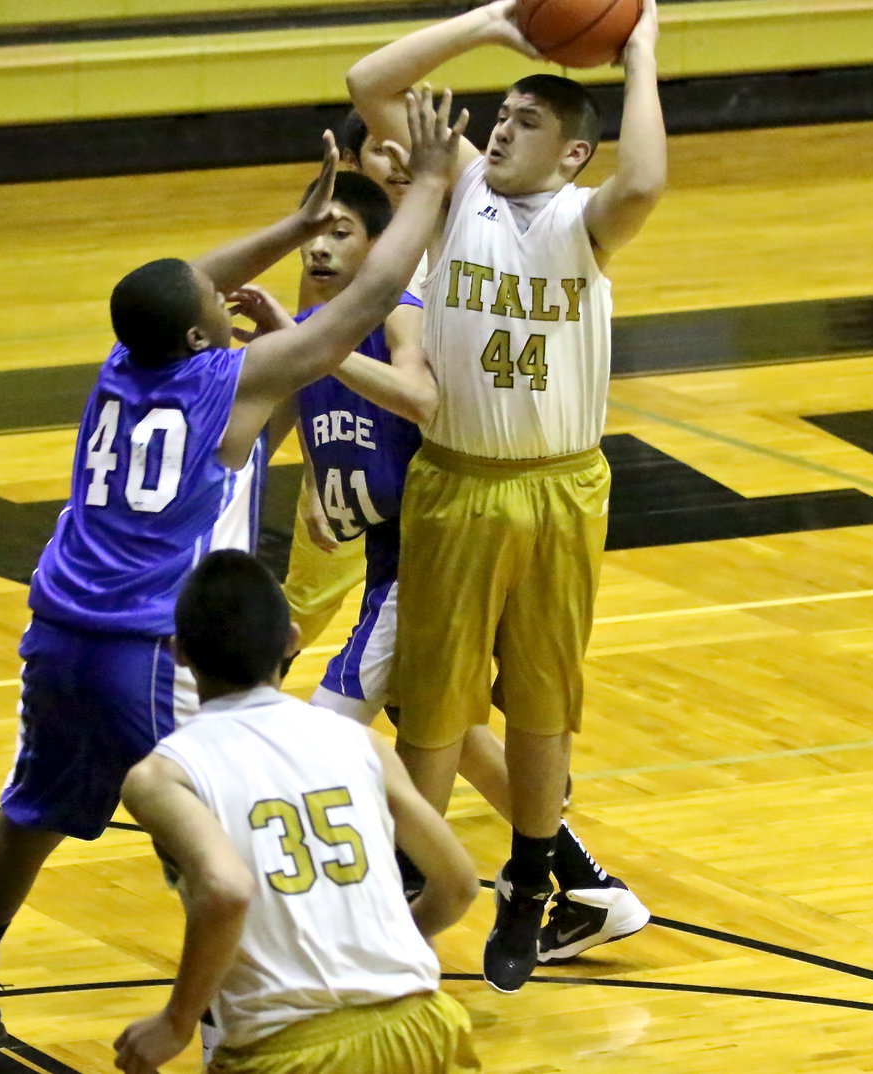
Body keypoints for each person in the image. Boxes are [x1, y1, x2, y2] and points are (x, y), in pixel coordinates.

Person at [0, 88, 468, 1047]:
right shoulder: (234, 382)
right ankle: (220, 1014)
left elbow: (176, 282)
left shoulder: (122, 363)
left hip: (56, 628)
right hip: (144, 646)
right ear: (206, 338)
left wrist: (292, 225)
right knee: (209, 831)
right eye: (219, 305)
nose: (230, 292)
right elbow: (369, 302)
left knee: (33, 807)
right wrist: (433, 186)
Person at [347, 0, 665, 991]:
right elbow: (370, 84)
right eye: (504, 112)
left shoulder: (586, 219)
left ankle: (531, 881)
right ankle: (419, 891)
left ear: (573, 156)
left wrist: (641, 49)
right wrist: (490, 21)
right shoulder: (456, 189)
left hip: (563, 488)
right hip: (457, 483)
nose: (504, 125)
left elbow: (647, 176)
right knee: (433, 710)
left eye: (530, 120)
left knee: (540, 705)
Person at [279, 167, 647, 961]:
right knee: (433, 720)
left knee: (315, 738)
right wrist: (316, 470)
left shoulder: (402, 316)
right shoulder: (322, 313)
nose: (320, 244)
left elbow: (412, 398)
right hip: (395, 556)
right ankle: (582, 882)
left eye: (341, 230)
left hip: (433, 559)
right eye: (313, 228)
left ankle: (372, 907)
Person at [113, 549, 481, 1074]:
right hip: (423, 1024)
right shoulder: (362, 743)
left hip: (294, 1049)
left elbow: (225, 889)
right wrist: (393, 944)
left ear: (179, 653)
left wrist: (177, 1021)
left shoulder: (162, 775)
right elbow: (459, 883)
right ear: (290, 641)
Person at [280, 105, 428, 652]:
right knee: (306, 604)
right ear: (349, 161)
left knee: (422, 640)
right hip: (353, 450)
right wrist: (318, 479)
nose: (400, 160)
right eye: (383, 147)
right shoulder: (333, 251)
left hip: (432, 464)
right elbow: (306, 367)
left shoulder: (461, 228)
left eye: (410, 146)